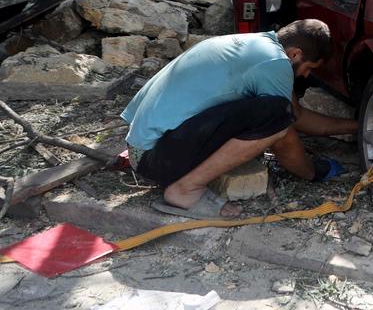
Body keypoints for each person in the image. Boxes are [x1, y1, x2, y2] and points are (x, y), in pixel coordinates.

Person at [121, 19, 357, 219]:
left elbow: (297, 115)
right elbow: (288, 125)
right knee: (276, 114)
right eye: (308, 68)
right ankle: (186, 189)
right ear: (295, 54)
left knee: (275, 112)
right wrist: (313, 172)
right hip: (156, 160)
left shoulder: (249, 45)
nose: (306, 75)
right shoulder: (275, 63)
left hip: (140, 148)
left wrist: (357, 127)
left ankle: (185, 179)